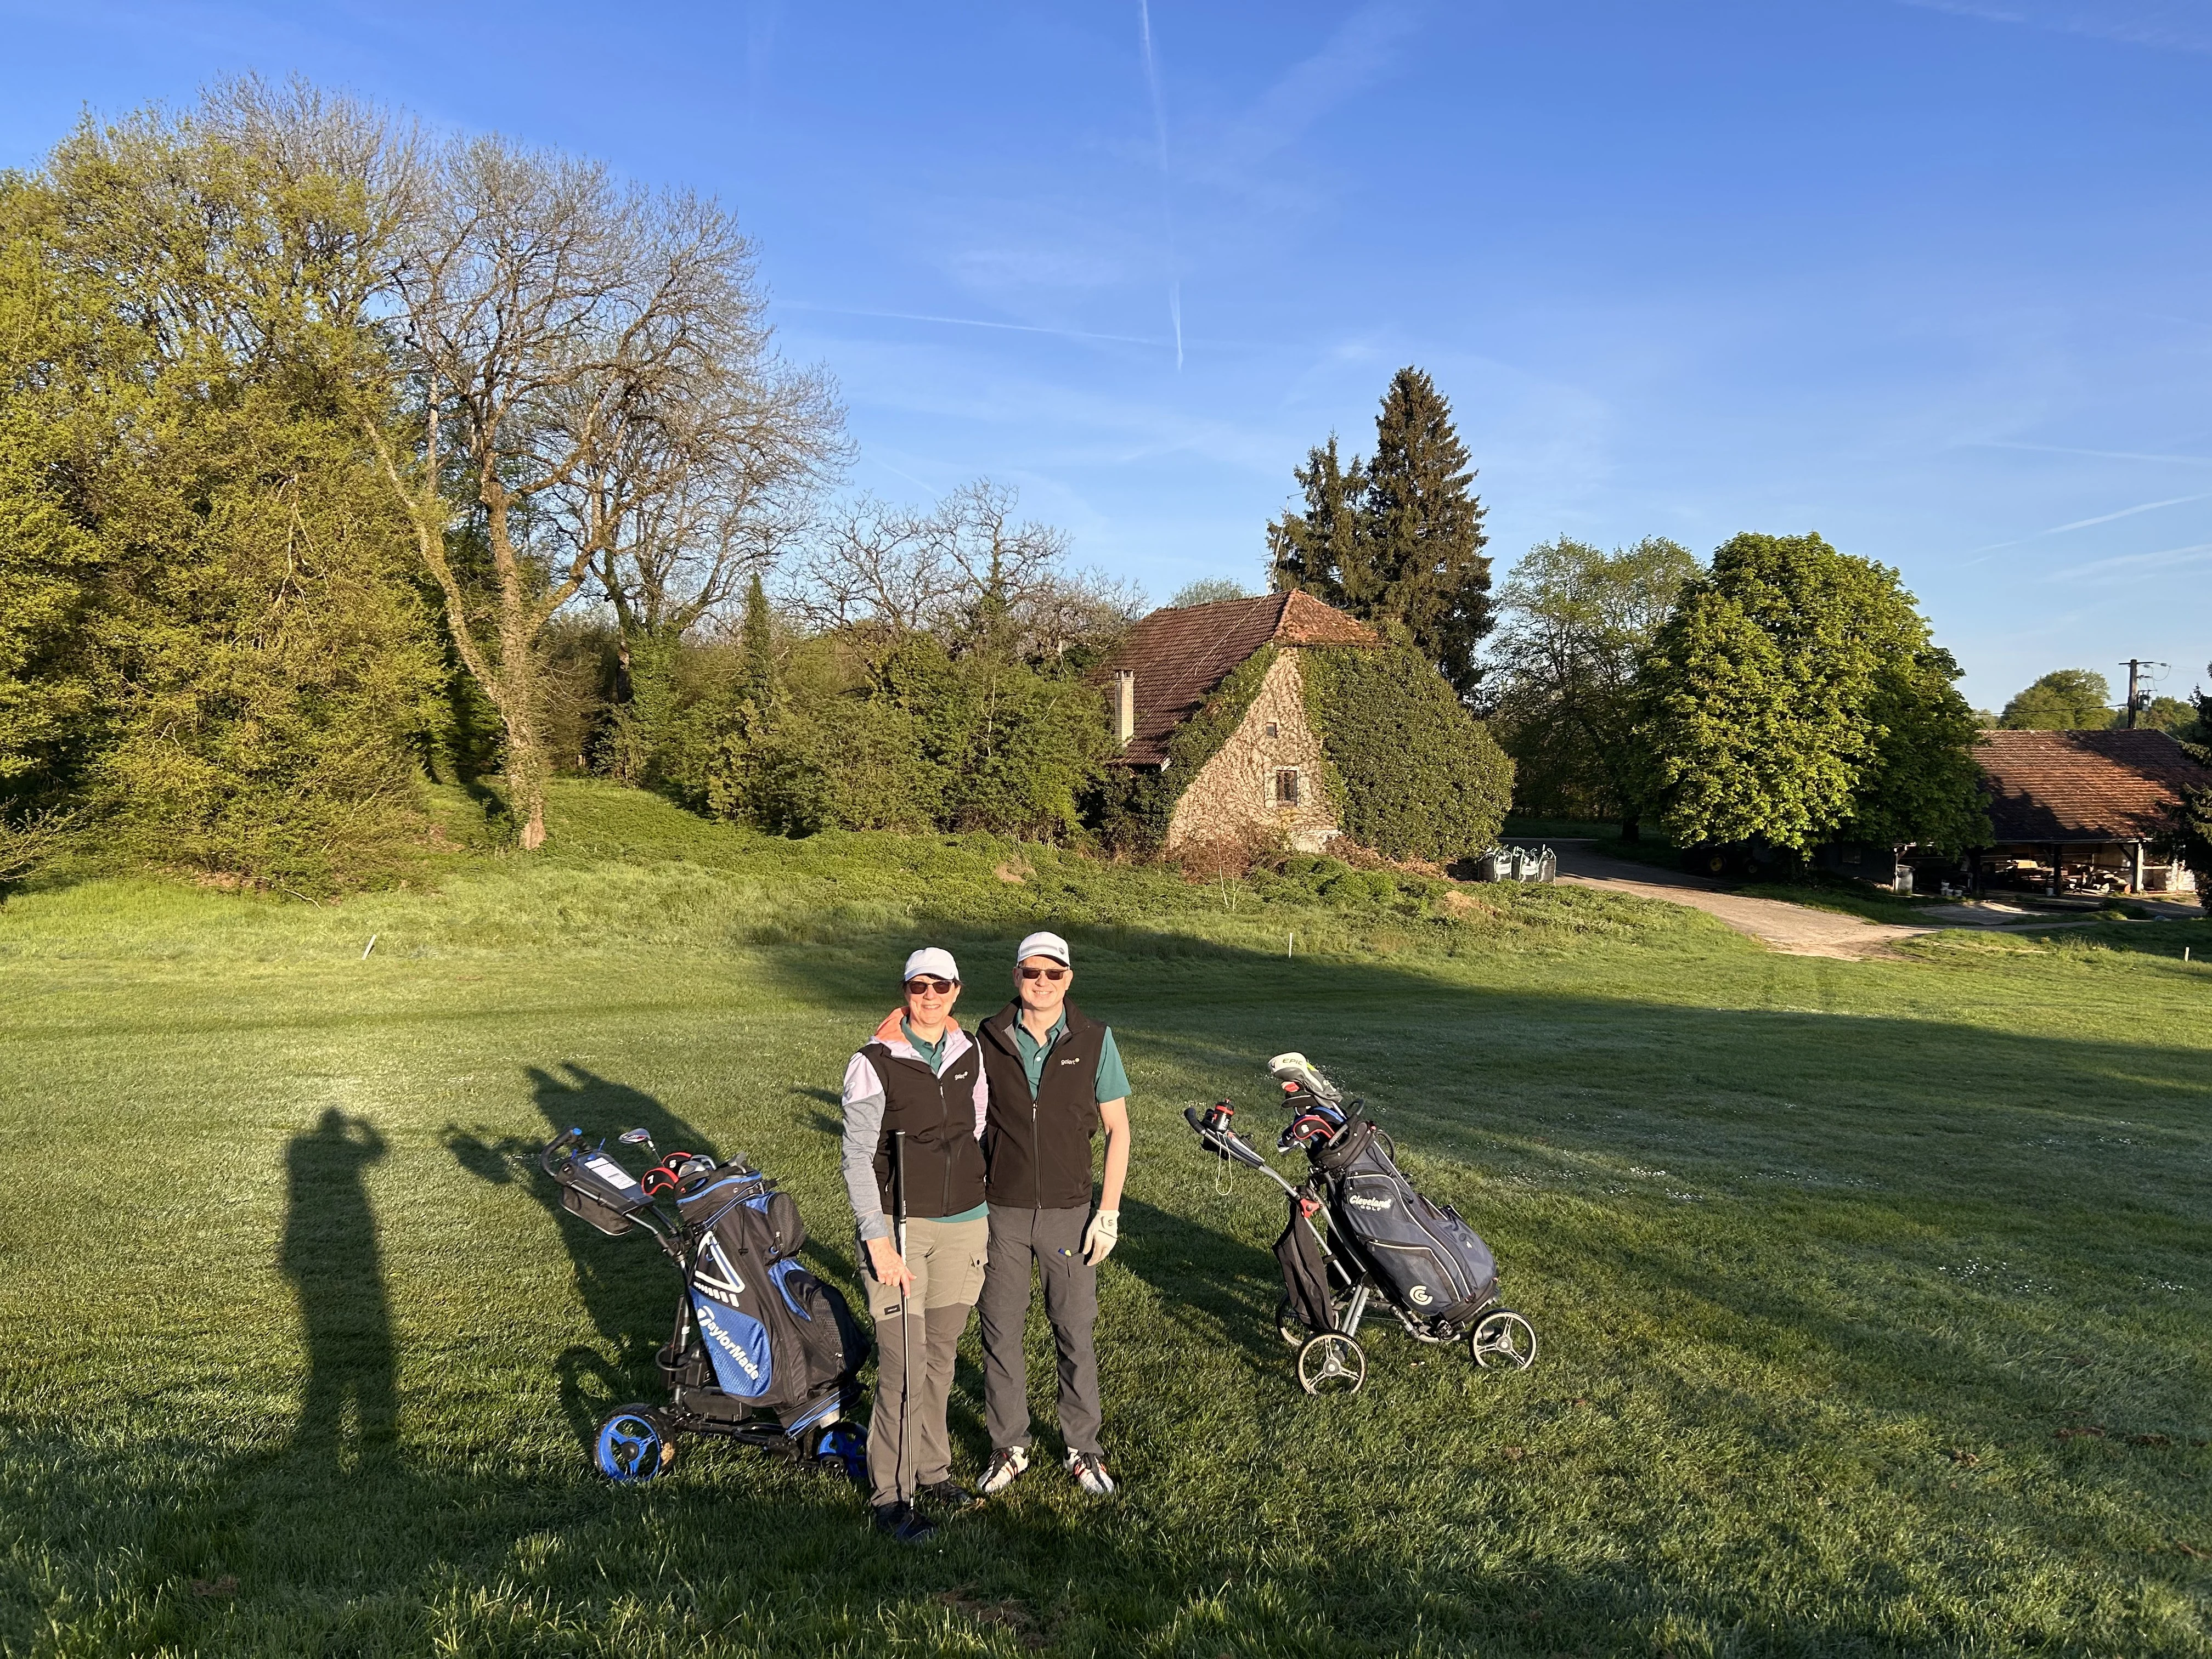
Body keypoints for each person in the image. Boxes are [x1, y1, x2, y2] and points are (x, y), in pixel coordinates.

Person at [973, 930, 1132, 1499]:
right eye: (1031, 973)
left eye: (1053, 974)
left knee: (1073, 1332)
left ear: (1069, 978)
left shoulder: (1094, 1039)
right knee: (1001, 1331)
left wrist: (1107, 1212)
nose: (1041, 983)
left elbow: (1118, 1131)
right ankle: (1008, 1446)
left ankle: (1083, 1449)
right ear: (1015, 975)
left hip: (1070, 1213)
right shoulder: (987, 1037)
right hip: (1003, 1213)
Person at [840, 946, 990, 1542]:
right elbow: (855, 1156)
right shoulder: (873, 1060)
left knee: (940, 1359)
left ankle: (932, 1471)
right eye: (918, 986)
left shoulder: (968, 1052)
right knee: (902, 1367)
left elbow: (974, 1128)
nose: (929, 996)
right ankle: (890, 1497)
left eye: (941, 986)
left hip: (964, 1226)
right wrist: (876, 1239)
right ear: (905, 990)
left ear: (957, 991)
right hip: (900, 1231)